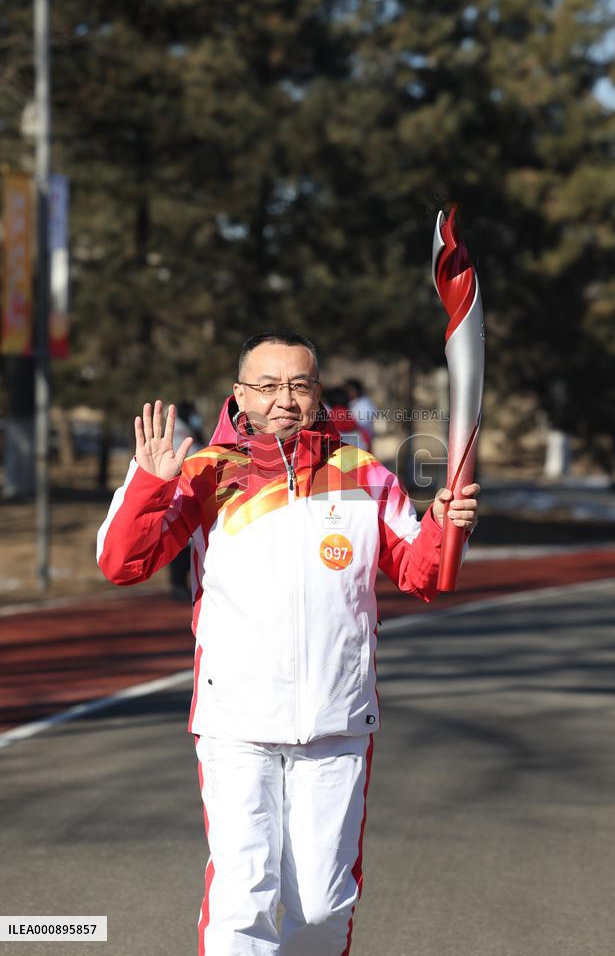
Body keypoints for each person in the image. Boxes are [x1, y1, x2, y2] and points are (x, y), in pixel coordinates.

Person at [96, 330, 480, 956]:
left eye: (299, 384)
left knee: (323, 904)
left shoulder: (363, 475)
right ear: (240, 393)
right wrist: (148, 483)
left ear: (318, 392)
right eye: (268, 385)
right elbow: (122, 563)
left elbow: (425, 574)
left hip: (337, 719)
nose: (284, 399)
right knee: (243, 898)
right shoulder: (202, 475)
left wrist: (444, 523)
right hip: (237, 720)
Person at [169, 401, 205, 599]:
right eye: (194, 412)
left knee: (189, 543)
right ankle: (177, 584)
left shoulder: (190, 430)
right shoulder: (179, 433)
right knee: (182, 542)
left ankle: (180, 583)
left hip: (194, 491)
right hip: (181, 491)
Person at [344, 378, 378, 453]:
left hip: (363, 442)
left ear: (356, 390)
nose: (347, 393)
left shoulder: (365, 405)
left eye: (350, 390)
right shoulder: (351, 403)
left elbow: (362, 424)